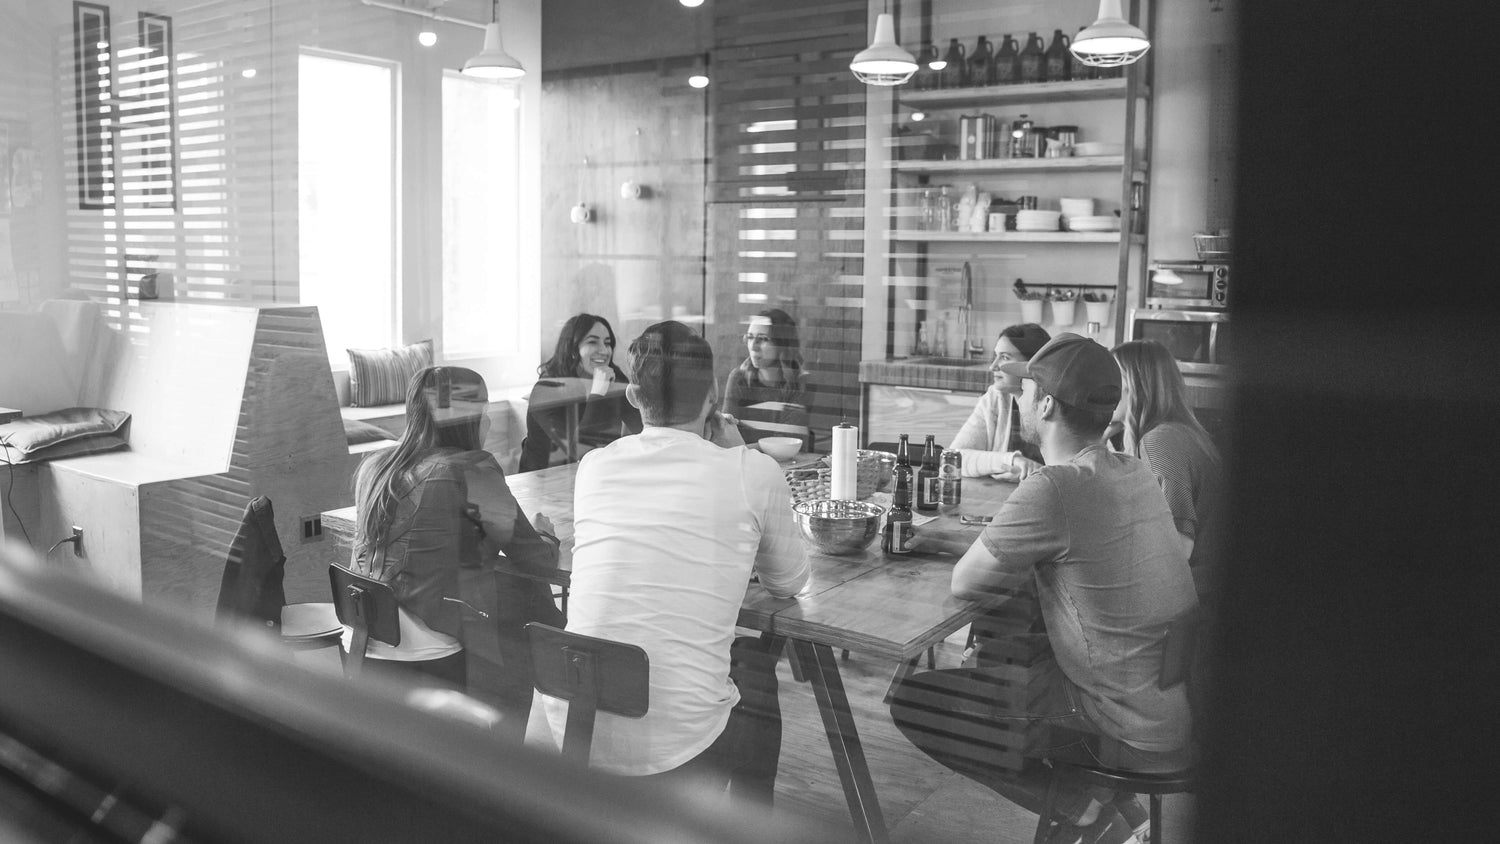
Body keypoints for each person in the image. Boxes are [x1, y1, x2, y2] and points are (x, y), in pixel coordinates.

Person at [889, 334, 1198, 844]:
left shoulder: (1055, 486)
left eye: (1028, 389)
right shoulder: (1131, 469)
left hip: (1116, 724)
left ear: (1048, 404)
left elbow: (965, 582)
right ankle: (1118, 816)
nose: (1021, 398)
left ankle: (1082, 811)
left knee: (917, 702)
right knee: (1018, 640)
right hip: (1165, 706)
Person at [531, 320, 809, 806]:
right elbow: (789, 582)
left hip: (573, 724)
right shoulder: (751, 470)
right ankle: (752, 824)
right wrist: (736, 453)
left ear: (634, 395)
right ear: (711, 399)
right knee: (758, 676)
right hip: (678, 749)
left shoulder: (595, 467)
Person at [350, 366, 564, 707]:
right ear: (466, 419)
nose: (490, 422)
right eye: (483, 412)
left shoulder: (376, 468)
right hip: (431, 652)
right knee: (524, 596)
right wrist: (546, 535)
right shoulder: (471, 469)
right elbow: (535, 558)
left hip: (365, 641)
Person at [1110, 339, 1225, 599]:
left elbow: (1177, 548)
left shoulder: (1161, 440)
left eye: (1113, 378)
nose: (1103, 388)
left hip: (1194, 596)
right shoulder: (1178, 432)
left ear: (1136, 385)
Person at [519, 313, 643, 472]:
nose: (604, 350)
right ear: (572, 349)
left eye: (608, 343)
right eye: (592, 342)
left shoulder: (613, 377)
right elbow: (581, 451)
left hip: (596, 473)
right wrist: (598, 393)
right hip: (544, 481)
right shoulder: (546, 389)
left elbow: (643, 427)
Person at [949, 323, 1051, 481]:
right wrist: (1012, 461)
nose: (992, 366)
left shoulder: (1056, 405)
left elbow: (1074, 473)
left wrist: (1032, 473)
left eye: (1004, 357)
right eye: (995, 356)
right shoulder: (995, 399)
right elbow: (954, 458)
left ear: (1031, 364)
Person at [722, 308, 812, 449]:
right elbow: (725, 436)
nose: (753, 346)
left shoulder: (798, 382)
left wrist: (743, 449)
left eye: (763, 339)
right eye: (750, 337)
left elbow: (787, 444)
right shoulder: (739, 378)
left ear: (782, 344)